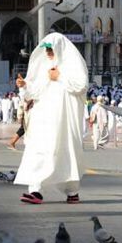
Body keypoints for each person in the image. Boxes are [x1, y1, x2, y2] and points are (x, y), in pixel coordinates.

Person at [14, 33, 88, 205]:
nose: (48, 53)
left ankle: (72, 191)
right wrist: (25, 86)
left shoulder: (73, 64)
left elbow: (81, 85)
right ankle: (35, 191)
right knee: (39, 150)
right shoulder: (44, 67)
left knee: (66, 152)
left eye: (50, 49)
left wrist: (59, 77)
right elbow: (35, 91)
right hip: (44, 118)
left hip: (65, 120)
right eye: (46, 49)